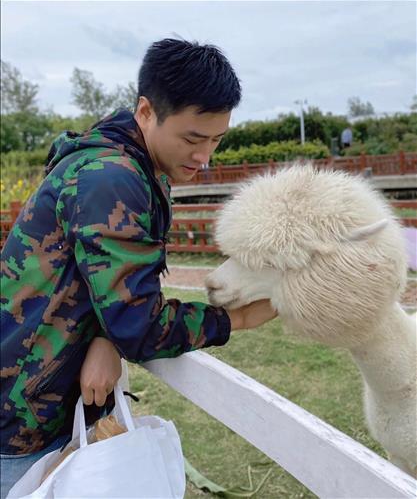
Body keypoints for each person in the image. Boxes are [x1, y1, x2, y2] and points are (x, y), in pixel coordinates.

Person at [0, 38, 277, 496]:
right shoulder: (113, 179)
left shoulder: (130, 163)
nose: (205, 157)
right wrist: (238, 318)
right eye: (193, 138)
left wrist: (106, 336)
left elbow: (110, 290)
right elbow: (140, 326)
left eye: (216, 140)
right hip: (21, 416)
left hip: (39, 396)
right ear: (146, 112)